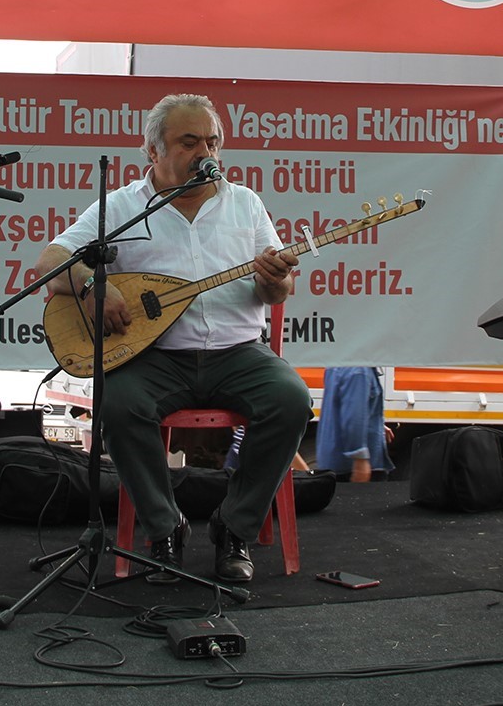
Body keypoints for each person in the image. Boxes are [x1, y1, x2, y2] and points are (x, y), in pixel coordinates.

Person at [35, 93, 311, 583]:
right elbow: (49, 263)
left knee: (290, 399)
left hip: (238, 353)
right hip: (154, 358)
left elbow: (276, 289)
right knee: (118, 406)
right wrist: (93, 285)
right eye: (189, 142)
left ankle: (235, 528)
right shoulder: (120, 206)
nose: (205, 153)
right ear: (153, 151)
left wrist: (275, 278)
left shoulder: (244, 203)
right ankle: (164, 529)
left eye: (212, 142)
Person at [315, 366, 395, 482]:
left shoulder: (336, 365)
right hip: (351, 467)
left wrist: (377, 426)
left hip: (334, 462)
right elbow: (353, 417)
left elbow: (342, 407)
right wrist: (360, 459)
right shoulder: (360, 371)